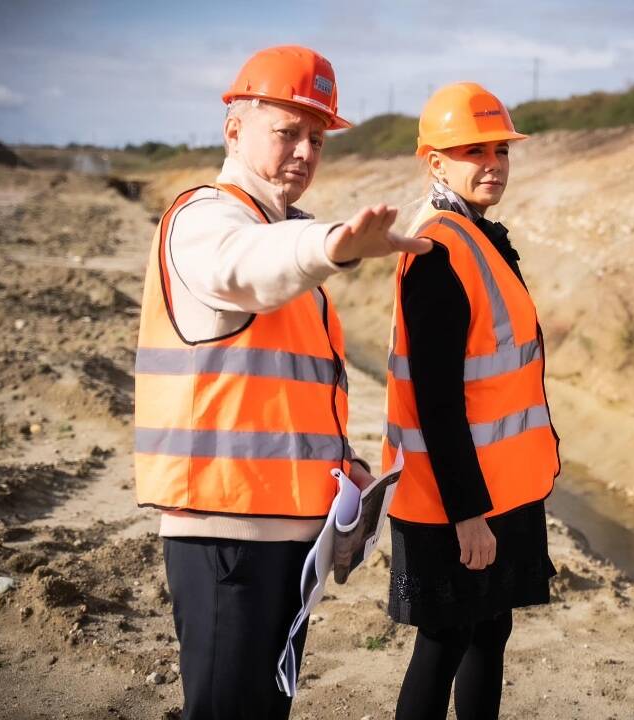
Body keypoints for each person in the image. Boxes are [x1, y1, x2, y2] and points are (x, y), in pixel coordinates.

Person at [133, 45, 430, 720]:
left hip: (289, 541)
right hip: (224, 538)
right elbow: (244, 267)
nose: (304, 151)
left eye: (317, 138)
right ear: (234, 130)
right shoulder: (205, 218)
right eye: (287, 131)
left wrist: (342, 465)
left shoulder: (285, 233)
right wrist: (331, 247)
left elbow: (279, 390)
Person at [381, 82, 561, 720]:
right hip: (453, 499)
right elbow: (436, 400)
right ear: (435, 162)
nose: (493, 164)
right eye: (472, 151)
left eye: (501, 151)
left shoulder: (479, 236)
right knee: (445, 639)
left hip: (500, 488)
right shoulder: (437, 251)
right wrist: (468, 515)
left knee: (490, 629)